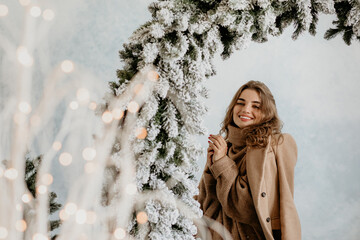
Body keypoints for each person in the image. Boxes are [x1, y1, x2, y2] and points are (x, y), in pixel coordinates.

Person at [195, 80, 301, 240]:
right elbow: (206, 204)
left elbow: (249, 210)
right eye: (240, 103)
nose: (245, 110)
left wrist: (222, 164)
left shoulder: (275, 146)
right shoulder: (225, 147)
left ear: (268, 113)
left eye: (256, 106)